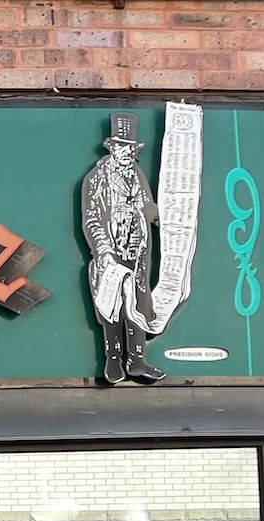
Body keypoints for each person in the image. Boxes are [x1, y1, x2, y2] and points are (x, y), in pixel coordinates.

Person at [81, 111, 165, 386]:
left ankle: (137, 360)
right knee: (112, 306)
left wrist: (164, 217)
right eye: (124, 148)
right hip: (111, 254)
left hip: (136, 253)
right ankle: (114, 358)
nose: (129, 153)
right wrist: (103, 251)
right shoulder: (96, 178)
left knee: (136, 304)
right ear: (113, 148)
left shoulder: (137, 176)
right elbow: (92, 218)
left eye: (132, 149)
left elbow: (148, 206)